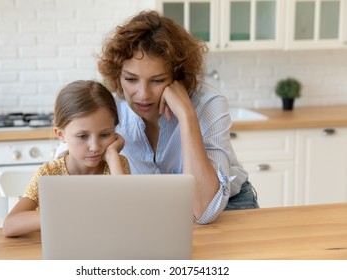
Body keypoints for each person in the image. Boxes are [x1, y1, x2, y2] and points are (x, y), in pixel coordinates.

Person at [57, 10, 259, 224]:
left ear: (177, 77)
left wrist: (186, 114)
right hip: (155, 211)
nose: (143, 95)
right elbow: (61, 169)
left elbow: (204, 211)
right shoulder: (111, 106)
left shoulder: (207, 103)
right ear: (118, 75)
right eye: (131, 79)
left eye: (157, 80)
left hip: (227, 208)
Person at [2, 80, 131, 237]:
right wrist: (65, 216)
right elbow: (9, 225)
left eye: (105, 135)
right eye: (83, 136)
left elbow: (127, 214)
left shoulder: (117, 164)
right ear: (61, 135)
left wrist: (112, 155)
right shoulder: (49, 173)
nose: (95, 146)